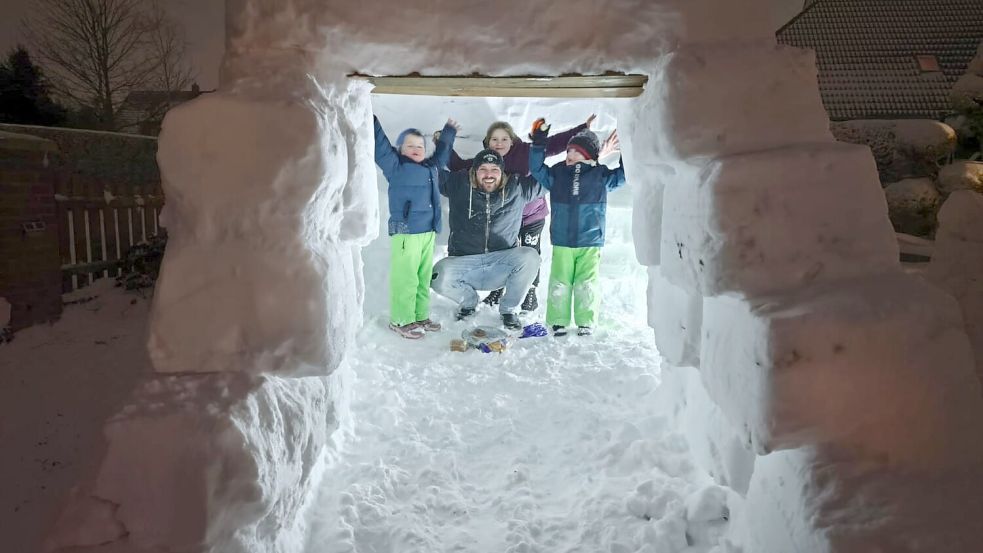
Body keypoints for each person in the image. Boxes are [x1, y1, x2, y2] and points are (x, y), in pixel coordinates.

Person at [444, 115, 596, 311]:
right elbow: (458, 166)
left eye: (504, 139)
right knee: (505, 253)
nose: (499, 144)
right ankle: (498, 288)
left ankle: (530, 290)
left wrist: (582, 128)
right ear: (487, 143)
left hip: (531, 215)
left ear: (513, 140)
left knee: (531, 252)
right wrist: (443, 143)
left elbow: (555, 144)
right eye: (494, 140)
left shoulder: (525, 151)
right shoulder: (485, 164)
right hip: (505, 218)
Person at [528, 119, 625, 337]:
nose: (570, 154)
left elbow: (624, 175)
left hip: (590, 240)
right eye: (569, 150)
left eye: (576, 151)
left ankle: (586, 321)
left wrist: (628, 147)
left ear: (589, 155)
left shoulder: (600, 175)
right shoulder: (557, 174)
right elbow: (535, 168)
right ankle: (558, 321)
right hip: (563, 240)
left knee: (587, 283)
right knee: (560, 281)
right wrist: (539, 142)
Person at [431, 149, 545, 330]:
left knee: (530, 257)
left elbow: (553, 179)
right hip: (465, 264)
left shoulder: (517, 188)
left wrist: (588, 160)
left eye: (495, 169)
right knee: (438, 276)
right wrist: (442, 143)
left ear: (502, 172)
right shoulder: (458, 183)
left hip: (500, 266)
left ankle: (508, 310)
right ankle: (468, 303)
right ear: (474, 171)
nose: (489, 174)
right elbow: (427, 173)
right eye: (483, 169)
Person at [374, 115, 459, 339]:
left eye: (420, 145)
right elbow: (381, 147)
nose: (416, 148)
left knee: (422, 277)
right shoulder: (396, 167)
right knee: (406, 278)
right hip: (406, 231)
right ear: (400, 149)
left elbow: (441, 156)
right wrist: (370, 119)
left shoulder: (430, 167)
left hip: (427, 231)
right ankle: (401, 320)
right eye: (410, 145)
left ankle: (420, 316)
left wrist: (448, 133)